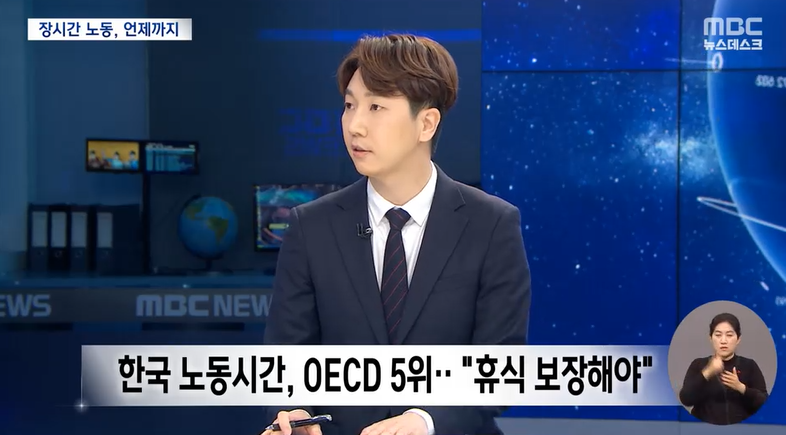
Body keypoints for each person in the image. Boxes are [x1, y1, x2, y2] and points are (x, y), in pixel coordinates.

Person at [262, 34, 531, 435]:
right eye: (349, 105)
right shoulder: (311, 226)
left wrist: (424, 420)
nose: (355, 125)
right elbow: (287, 356)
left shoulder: (491, 225)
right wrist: (293, 409)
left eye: (376, 107)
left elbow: (500, 369)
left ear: (426, 123)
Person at [678, 312, 769, 425]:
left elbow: (765, 403)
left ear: (738, 339)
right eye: (718, 335)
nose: (723, 341)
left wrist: (741, 388)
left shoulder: (749, 365)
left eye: (729, 335)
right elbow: (686, 399)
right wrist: (707, 372)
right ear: (710, 338)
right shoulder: (698, 364)